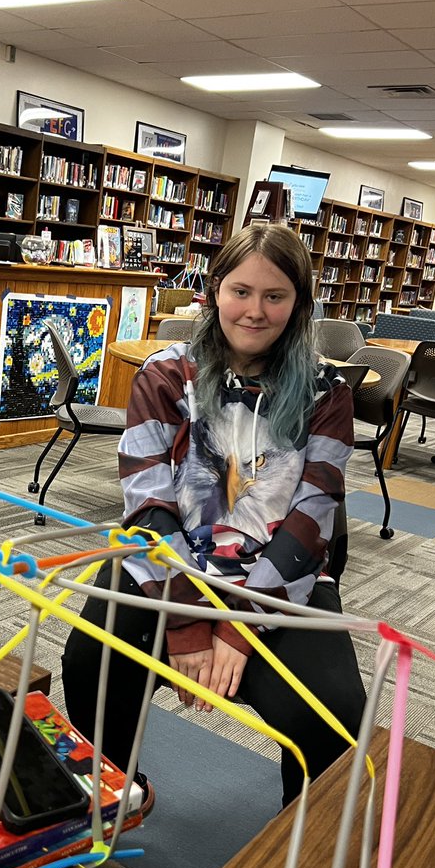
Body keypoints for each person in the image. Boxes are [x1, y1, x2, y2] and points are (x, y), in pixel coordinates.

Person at [62, 223, 367, 808]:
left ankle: (301, 837)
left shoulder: (328, 393)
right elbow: (149, 508)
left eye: (275, 296)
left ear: (299, 304)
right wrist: (188, 622)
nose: (255, 310)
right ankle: (114, 792)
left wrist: (237, 625)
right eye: (241, 291)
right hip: (166, 564)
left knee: (333, 712)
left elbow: (312, 516)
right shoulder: (165, 374)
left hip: (278, 576)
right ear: (215, 290)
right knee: (89, 664)